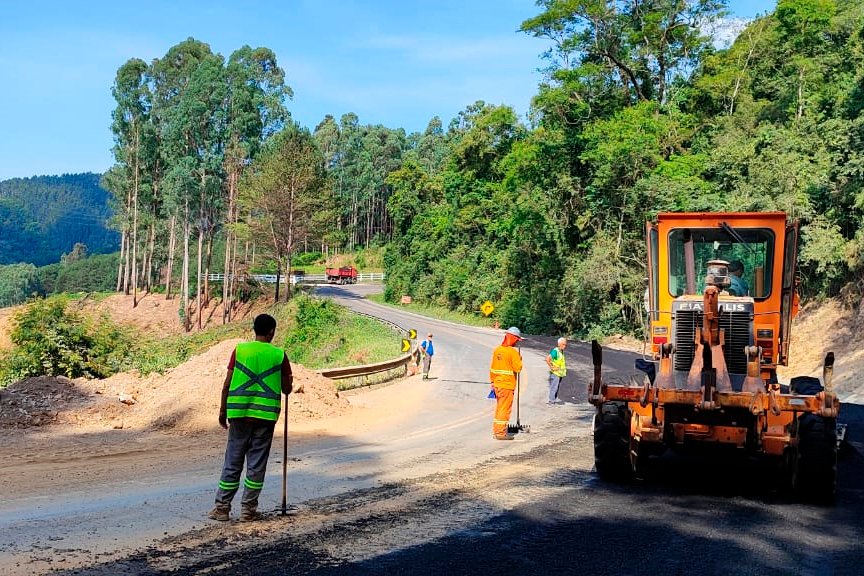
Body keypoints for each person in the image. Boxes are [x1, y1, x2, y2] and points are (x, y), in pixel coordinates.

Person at [208, 313, 294, 522]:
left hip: (238, 414)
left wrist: (222, 410)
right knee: (256, 464)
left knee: (232, 461)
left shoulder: (240, 350)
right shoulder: (279, 354)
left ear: (254, 329)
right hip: (265, 417)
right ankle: (248, 510)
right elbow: (286, 389)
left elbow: (227, 383)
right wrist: (287, 380)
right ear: (272, 331)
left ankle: (222, 509)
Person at [489, 326, 524, 440]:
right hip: (507, 385)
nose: (517, 342)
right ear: (513, 339)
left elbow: (492, 368)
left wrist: (492, 382)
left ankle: (497, 430)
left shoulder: (497, 350)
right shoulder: (512, 352)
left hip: (497, 384)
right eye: (517, 340)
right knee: (505, 409)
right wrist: (519, 358)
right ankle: (500, 433)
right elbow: (518, 368)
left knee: (500, 408)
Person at [545, 337, 567, 405]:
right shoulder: (555, 351)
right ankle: (551, 401)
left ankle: (553, 400)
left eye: (565, 345)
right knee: (554, 387)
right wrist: (552, 367)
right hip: (555, 373)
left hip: (559, 373)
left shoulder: (561, 351)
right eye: (563, 344)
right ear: (559, 344)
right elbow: (548, 359)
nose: (565, 346)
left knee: (556, 387)